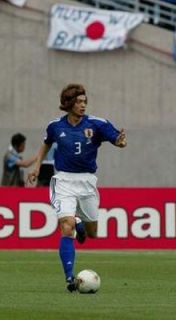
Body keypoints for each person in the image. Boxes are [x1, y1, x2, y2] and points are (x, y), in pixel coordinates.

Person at [27, 84, 127, 292]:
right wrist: (36, 167)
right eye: (79, 101)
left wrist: (119, 141)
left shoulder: (97, 124)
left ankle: (81, 225)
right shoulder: (55, 126)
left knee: (92, 233)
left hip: (87, 182)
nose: (83, 105)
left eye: (84, 101)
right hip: (62, 181)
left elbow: (116, 138)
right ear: (69, 104)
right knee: (66, 226)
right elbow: (46, 143)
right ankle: (70, 278)